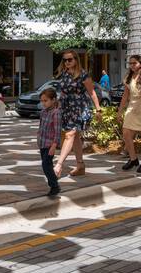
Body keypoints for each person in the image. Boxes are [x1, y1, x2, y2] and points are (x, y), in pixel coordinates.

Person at [53, 50, 100, 179]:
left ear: (76, 60)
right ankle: (80, 165)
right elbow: (62, 92)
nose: (67, 62)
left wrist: (98, 109)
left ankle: (59, 165)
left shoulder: (83, 75)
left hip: (79, 108)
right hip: (66, 108)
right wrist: (56, 105)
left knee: (70, 135)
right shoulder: (63, 73)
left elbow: (92, 93)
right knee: (75, 137)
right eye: (64, 60)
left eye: (70, 59)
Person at [37, 87, 61, 198]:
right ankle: (54, 181)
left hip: (50, 144)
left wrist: (54, 145)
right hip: (42, 143)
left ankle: (54, 186)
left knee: (45, 165)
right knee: (48, 165)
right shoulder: (43, 112)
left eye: (45, 101)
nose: (43, 103)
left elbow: (57, 131)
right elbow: (41, 127)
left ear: (53, 100)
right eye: (42, 101)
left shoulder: (56, 113)